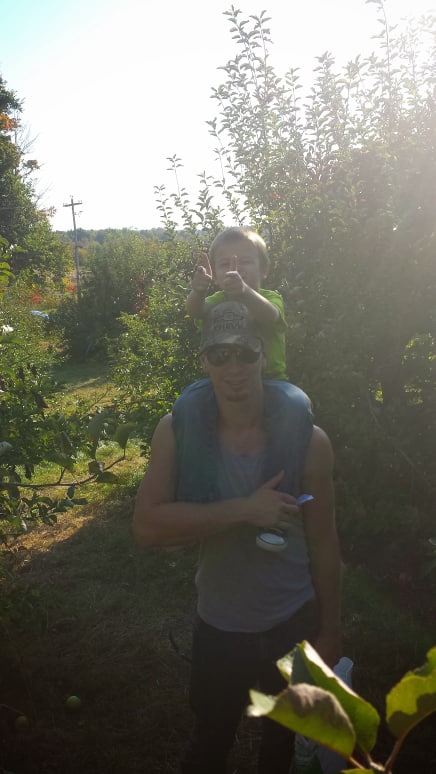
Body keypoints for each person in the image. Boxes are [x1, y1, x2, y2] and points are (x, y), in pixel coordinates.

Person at [133, 301, 342, 774]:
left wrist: (331, 630)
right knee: (210, 740)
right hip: (220, 622)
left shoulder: (310, 442)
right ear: (203, 360)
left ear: (264, 356)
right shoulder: (175, 431)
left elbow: (326, 543)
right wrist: (246, 510)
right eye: (220, 354)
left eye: (244, 354)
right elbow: (146, 527)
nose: (233, 368)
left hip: (294, 619)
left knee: (281, 744)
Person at [186, 226, 287, 382]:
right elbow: (196, 311)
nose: (236, 268)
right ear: (215, 276)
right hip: (223, 380)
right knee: (189, 401)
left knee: (295, 402)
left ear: (264, 269)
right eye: (225, 264)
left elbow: (270, 315)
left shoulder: (270, 299)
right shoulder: (217, 301)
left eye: (246, 261)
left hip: (270, 381)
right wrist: (198, 292)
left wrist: (244, 292)